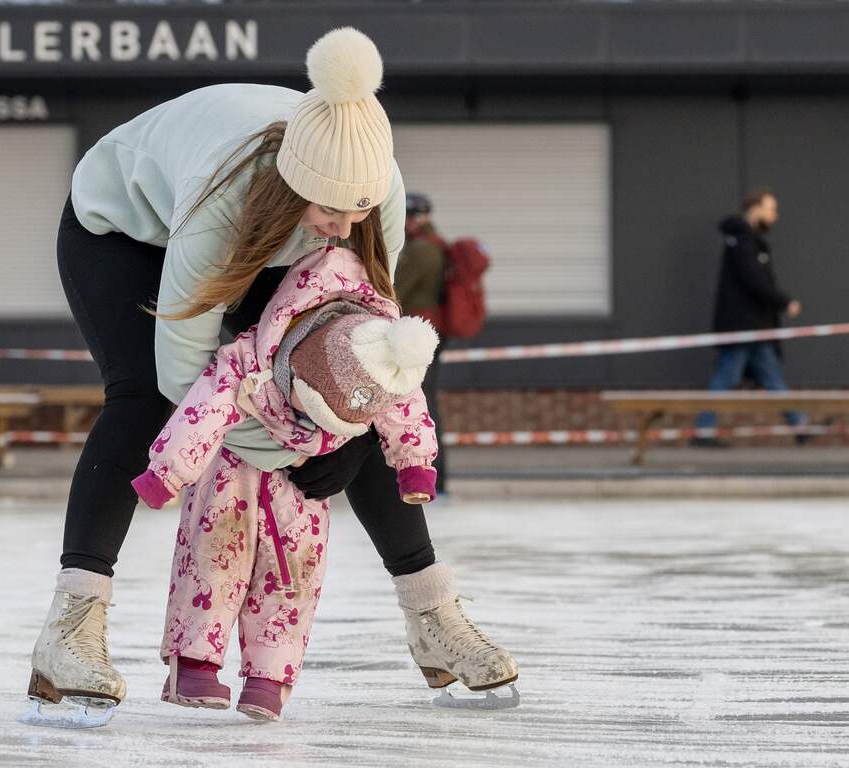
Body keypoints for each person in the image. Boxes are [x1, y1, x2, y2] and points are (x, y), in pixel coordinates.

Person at [27, 27, 518, 725]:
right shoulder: (223, 201)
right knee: (140, 402)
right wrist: (290, 445)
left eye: (359, 212)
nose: (346, 230)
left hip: (268, 243)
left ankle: (434, 615)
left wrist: (343, 436)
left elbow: (372, 349)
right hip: (125, 233)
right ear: (296, 187)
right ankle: (70, 627)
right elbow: (184, 378)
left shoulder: (374, 196)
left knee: (356, 394)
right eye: (330, 210)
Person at [133, 244, 440, 720]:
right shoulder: (248, 360)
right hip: (228, 471)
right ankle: (193, 661)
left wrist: (414, 463)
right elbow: (203, 409)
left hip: (302, 481)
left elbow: (405, 405)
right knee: (214, 556)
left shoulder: (377, 353)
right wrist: (167, 472)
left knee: (294, 573)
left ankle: (269, 677)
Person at [692, 188, 804, 448]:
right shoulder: (743, 241)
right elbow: (754, 280)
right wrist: (784, 302)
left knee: (772, 377)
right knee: (727, 377)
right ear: (756, 209)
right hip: (743, 325)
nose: (774, 215)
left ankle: (801, 424)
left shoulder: (748, 240)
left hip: (755, 325)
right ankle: (704, 430)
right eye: (771, 209)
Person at [394, 193, 449, 493]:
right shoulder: (431, 245)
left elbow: (397, 288)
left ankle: (434, 475)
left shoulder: (422, 250)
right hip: (423, 331)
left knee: (422, 403)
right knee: (422, 401)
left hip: (421, 334)